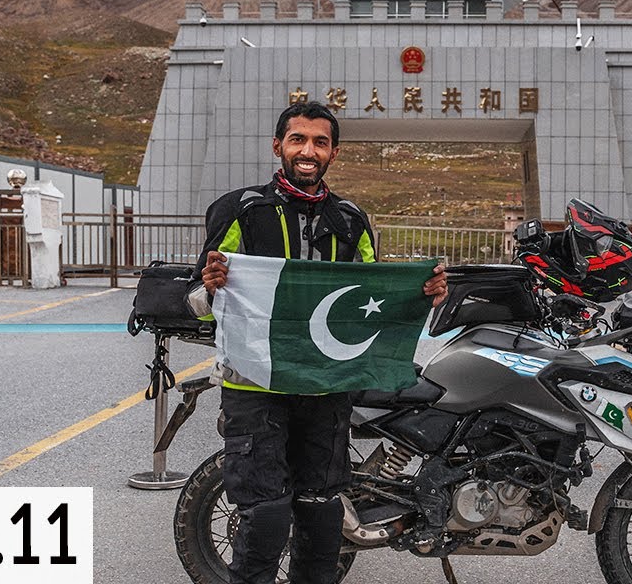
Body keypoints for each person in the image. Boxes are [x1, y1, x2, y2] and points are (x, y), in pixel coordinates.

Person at [187, 101, 448, 584]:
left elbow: (374, 301)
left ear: (332, 152)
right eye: (298, 140)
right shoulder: (241, 210)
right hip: (255, 386)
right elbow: (196, 302)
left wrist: (423, 296)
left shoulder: (351, 221)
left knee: (321, 511)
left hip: (327, 388)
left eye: (320, 142)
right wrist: (211, 286)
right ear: (278, 146)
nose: (308, 151)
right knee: (265, 515)